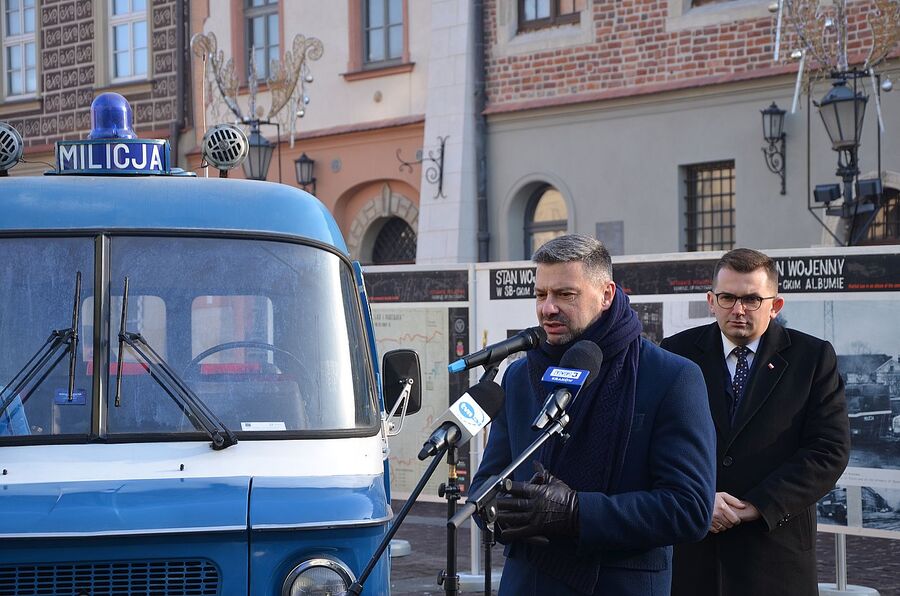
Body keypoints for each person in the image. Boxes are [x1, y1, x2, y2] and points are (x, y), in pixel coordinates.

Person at [470, 234, 716, 596]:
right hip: (529, 583)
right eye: (541, 295)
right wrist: (498, 510)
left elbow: (690, 508)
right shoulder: (519, 376)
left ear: (606, 294)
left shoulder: (671, 377)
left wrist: (576, 511)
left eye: (565, 294)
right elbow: (488, 481)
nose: (547, 309)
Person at [661, 248, 850, 596]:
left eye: (751, 299)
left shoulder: (812, 358)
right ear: (710, 301)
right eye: (728, 297)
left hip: (775, 552)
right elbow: (659, 442)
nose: (738, 309)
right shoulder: (675, 353)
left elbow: (829, 450)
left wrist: (756, 506)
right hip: (694, 553)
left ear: (775, 305)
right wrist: (701, 499)